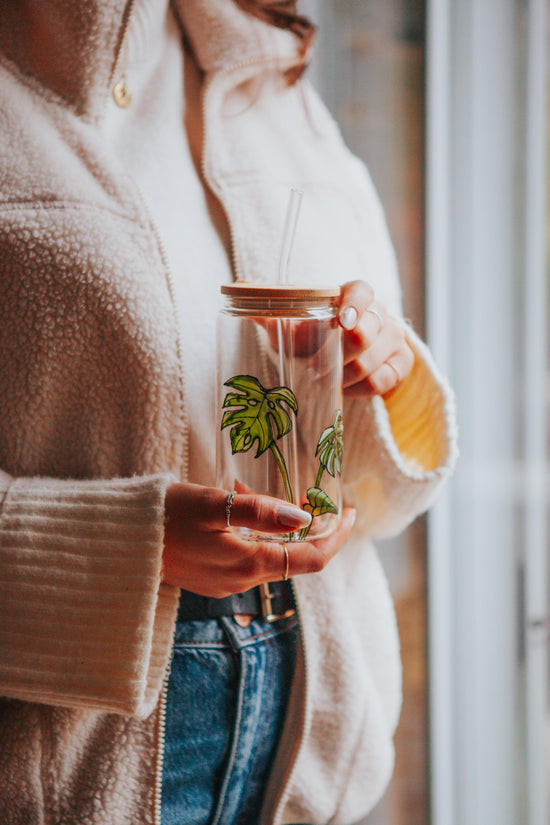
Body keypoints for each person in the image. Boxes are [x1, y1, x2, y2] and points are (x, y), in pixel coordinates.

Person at [0, 1, 457, 824]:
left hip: (310, 765)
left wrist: (388, 384)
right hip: (73, 759)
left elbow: (383, 503)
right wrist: (122, 554)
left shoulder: (270, 75)